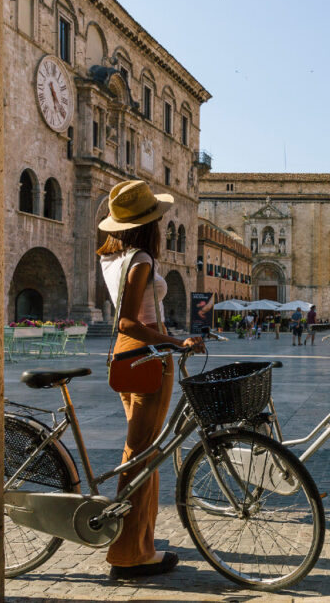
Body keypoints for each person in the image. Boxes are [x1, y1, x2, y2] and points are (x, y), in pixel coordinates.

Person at [96, 180, 203, 579]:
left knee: (145, 452)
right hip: (147, 357)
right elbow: (130, 319)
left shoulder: (111, 258)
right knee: (140, 455)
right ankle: (128, 554)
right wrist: (175, 341)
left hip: (126, 355)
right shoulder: (141, 259)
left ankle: (143, 541)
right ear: (149, 224)